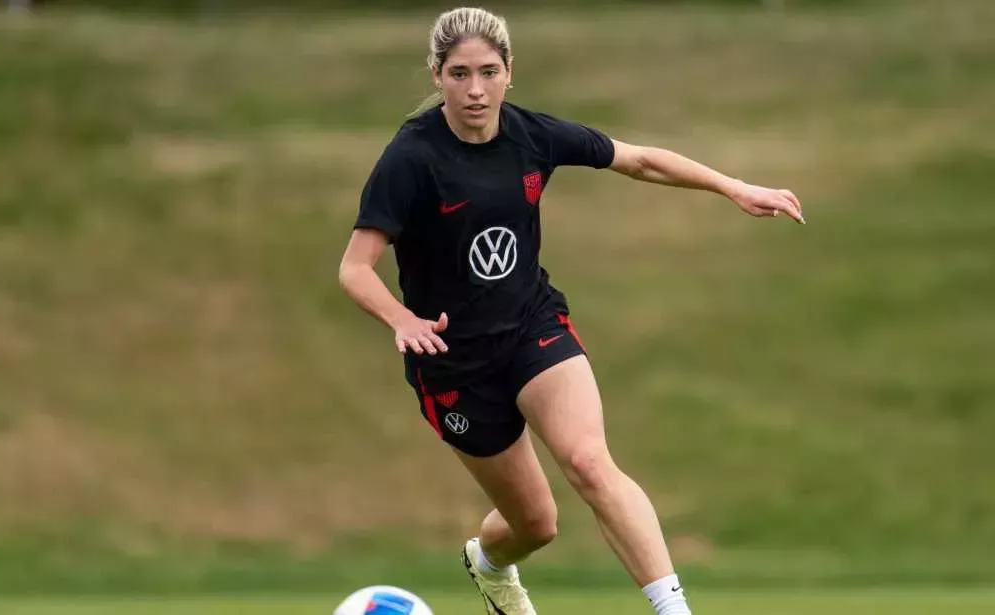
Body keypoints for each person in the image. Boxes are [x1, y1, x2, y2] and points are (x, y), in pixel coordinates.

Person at [338, 7, 804, 615]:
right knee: (535, 524)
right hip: (455, 365)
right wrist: (402, 320)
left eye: (487, 72)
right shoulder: (410, 159)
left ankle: (674, 609)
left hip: (531, 325)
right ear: (435, 75)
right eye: (458, 74)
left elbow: (638, 159)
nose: (474, 90)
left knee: (589, 461)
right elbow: (354, 267)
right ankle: (488, 563)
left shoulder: (533, 135)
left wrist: (734, 187)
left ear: (510, 73)